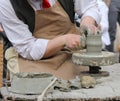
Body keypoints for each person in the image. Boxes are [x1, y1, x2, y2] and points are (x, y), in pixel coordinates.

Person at [0, 0, 100, 80]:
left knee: (88, 76)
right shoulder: (7, 4)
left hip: (72, 51)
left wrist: (88, 21)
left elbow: (89, 6)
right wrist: (63, 40)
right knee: (34, 81)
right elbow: (29, 48)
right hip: (37, 59)